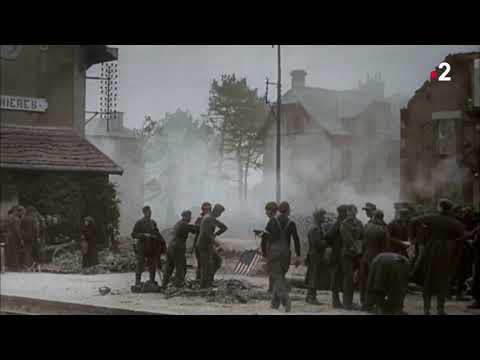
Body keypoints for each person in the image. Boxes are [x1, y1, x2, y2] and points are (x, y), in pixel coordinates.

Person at [409, 199, 465, 315]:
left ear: (440, 207)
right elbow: (461, 236)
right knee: (443, 281)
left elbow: (413, 221)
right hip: (446, 252)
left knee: (427, 280)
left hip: (431, 250)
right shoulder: (455, 222)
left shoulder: (432, 217)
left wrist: (413, 239)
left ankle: (426, 309)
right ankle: (440, 309)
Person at [265, 201, 301, 312]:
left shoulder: (272, 221)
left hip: (274, 252)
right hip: (286, 254)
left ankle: (286, 300)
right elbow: (296, 240)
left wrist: (264, 251)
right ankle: (274, 304)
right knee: (279, 276)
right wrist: (298, 256)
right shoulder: (291, 223)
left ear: (279, 210)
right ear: (288, 210)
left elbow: (266, 238)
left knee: (277, 276)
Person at [359, 210, 390, 310]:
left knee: (364, 280)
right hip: (377, 259)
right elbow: (386, 247)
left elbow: (362, 243)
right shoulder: (383, 229)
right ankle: (374, 304)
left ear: (374, 217)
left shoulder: (366, 226)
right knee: (375, 282)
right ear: (381, 218)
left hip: (365, 257)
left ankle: (364, 303)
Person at [131, 206, 166, 290]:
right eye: (148, 212)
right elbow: (133, 234)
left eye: (150, 212)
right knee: (140, 265)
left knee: (152, 265)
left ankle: (151, 282)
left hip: (152, 248)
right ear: (144, 212)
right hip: (142, 248)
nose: (150, 213)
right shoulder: (139, 222)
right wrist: (143, 235)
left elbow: (157, 233)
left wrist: (162, 243)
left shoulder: (153, 222)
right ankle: (137, 282)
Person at [162, 210, 197, 288]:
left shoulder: (178, 223)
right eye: (189, 216)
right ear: (186, 216)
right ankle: (177, 285)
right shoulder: (184, 224)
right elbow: (194, 230)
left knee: (169, 268)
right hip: (177, 248)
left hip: (171, 247)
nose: (190, 218)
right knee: (181, 268)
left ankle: (164, 285)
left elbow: (191, 228)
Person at [339, 204, 364, 310]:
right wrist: (356, 247)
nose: (351, 213)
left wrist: (360, 247)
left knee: (356, 278)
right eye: (349, 211)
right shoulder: (344, 224)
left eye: (353, 211)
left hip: (357, 254)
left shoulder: (359, 223)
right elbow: (347, 239)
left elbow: (362, 236)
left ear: (356, 212)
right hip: (347, 254)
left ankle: (350, 301)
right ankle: (346, 303)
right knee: (348, 278)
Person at [197, 204, 228, 288]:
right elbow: (206, 234)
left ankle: (209, 281)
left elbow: (224, 228)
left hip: (209, 244)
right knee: (206, 265)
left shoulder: (212, 219)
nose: (220, 214)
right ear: (216, 210)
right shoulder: (208, 218)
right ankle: (204, 285)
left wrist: (215, 234)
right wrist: (217, 244)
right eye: (220, 212)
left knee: (217, 261)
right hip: (203, 245)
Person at [326, 204, 349, 308]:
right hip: (337, 255)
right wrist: (334, 244)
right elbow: (328, 236)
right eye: (345, 212)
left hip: (341, 254)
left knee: (341, 277)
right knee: (336, 278)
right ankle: (336, 302)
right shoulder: (338, 223)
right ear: (342, 213)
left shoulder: (342, 223)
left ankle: (341, 301)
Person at [305, 209, 327, 305]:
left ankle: (309, 297)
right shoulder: (315, 229)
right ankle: (312, 298)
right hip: (315, 255)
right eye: (323, 216)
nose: (324, 218)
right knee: (313, 276)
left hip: (314, 255)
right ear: (318, 217)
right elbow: (317, 244)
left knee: (313, 275)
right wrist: (326, 242)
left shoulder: (317, 227)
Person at [256, 201, 278, 294]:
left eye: (267, 210)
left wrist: (261, 234)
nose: (266, 213)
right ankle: (272, 288)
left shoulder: (273, 221)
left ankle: (272, 289)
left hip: (272, 248)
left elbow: (270, 236)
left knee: (272, 269)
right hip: (273, 248)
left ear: (271, 211)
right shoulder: (274, 220)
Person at [192, 202, 212, 281]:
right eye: (205, 209)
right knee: (201, 263)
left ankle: (205, 280)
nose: (207, 211)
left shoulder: (210, 219)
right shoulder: (199, 220)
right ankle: (200, 281)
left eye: (208, 209)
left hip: (207, 244)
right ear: (203, 210)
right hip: (200, 245)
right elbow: (195, 230)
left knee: (208, 263)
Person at [20, 206, 39, 270]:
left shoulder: (23, 219)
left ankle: (27, 265)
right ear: (31, 212)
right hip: (32, 237)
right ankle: (31, 265)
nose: (34, 213)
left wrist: (22, 237)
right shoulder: (34, 219)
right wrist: (37, 237)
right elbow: (36, 229)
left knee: (27, 250)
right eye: (34, 212)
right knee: (31, 251)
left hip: (25, 237)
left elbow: (21, 229)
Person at [6, 206, 24, 271]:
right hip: (14, 237)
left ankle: (10, 266)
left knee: (10, 251)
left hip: (9, 236)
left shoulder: (9, 217)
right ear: (17, 211)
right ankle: (15, 267)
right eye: (22, 212)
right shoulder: (16, 219)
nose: (22, 213)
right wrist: (21, 238)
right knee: (15, 251)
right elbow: (17, 230)